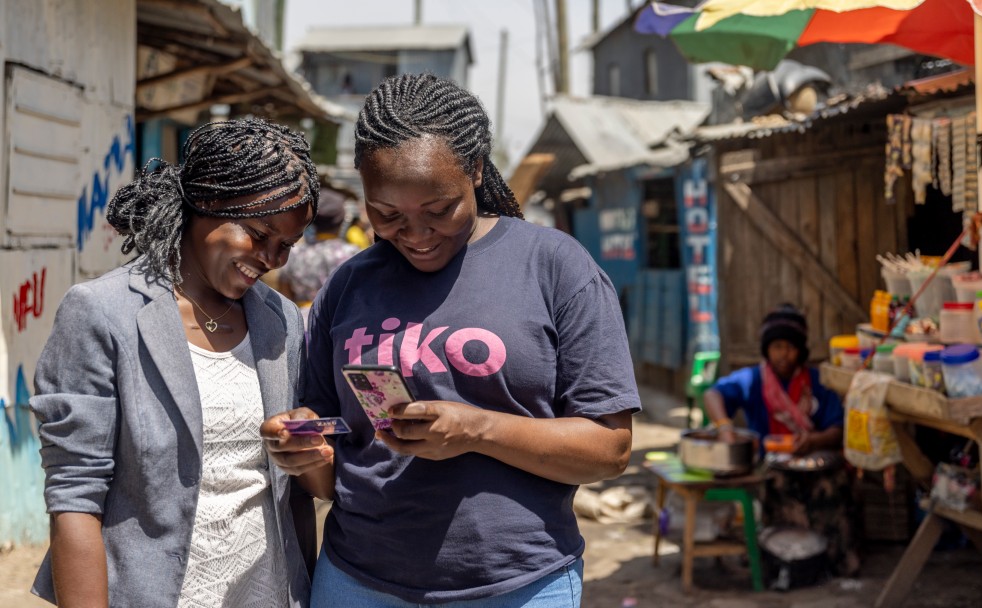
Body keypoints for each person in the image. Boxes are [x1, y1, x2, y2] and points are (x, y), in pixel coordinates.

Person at [261, 73, 640, 607]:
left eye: (438, 210)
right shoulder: (349, 285)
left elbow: (610, 450)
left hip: (518, 586)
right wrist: (305, 451)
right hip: (357, 582)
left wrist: (476, 430)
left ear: (477, 171)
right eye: (387, 215)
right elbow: (331, 470)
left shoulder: (554, 266)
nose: (415, 234)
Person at [30, 118, 322, 608]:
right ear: (206, 203)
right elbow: (74, 499)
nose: (271, 258)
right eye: (258, 234)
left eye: (286, 246)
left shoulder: (281, 321)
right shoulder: (104, 314)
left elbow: (294, 495)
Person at [703, 304, 859, 577]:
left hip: (819, 462)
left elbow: (838, 429)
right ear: (767, 349)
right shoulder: (752, 380)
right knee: (774, 485)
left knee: (833, 486)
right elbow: (712, 395)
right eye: (776, 347)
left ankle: (833, 559)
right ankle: (779, 561)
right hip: (773, 466)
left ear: (801, 350)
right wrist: (725, 428)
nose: (783, 354)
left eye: (790, 347)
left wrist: (813, 440)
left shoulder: (818, 381)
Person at [278, 187, 361, 321]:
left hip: (300, 323)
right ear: (341, 221)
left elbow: (284, 296)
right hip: (341, 322)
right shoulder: (353, 254)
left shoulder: (294, 253)